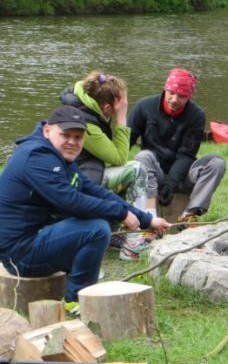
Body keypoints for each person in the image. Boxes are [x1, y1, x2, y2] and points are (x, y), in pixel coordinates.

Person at [0, 105, 170, 316]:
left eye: (78, 137)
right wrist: (121, 214)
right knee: (96, 229)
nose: (72, 142)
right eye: (66, 135)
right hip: (20, 254)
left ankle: (78, 287)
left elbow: (95, 191)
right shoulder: (37, 157)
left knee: (98, 221)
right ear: (47, 131)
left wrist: (146, 219)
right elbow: (71, 202)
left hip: (37, 237)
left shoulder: (57, 155)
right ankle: (76, 301)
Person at [59, 70, 152, 261]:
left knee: (123, 173)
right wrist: (121, 117)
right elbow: (120, 157)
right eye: (123, 102)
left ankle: (114, 233)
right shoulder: (87, 123)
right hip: (77, 183)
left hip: (82, 173)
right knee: (135, 171)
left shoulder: (84, 105)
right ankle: (133, 243)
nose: (125, 105)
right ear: (107, 106)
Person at [128, 68, 226, 223]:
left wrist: (171, 183)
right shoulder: (144, 107)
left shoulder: (197, 115)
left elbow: (186, 154)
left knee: (217, 163)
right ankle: (150, 217)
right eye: (171, 93)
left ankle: (189, 216)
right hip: (152, 172)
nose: (174, 99)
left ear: (189, 97)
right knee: (143, 156)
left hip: (183, 174)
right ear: (165, 89)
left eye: (181, 96)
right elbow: (126, 142)